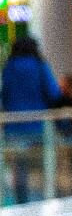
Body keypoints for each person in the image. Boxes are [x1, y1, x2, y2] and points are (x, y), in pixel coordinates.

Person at [1, 34, 65, 201]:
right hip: (38, 125)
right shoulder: (40, 66)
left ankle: (22, 202)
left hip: (13, 126)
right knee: (43, 163)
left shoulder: (9, 67)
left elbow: (4, 95)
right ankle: (45, 201)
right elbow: (54, 93)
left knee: (20, 167)